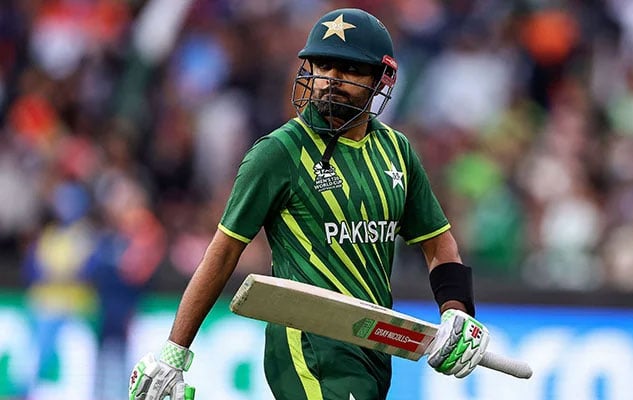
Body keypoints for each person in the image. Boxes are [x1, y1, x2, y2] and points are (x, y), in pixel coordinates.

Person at [129, 8, 490, 400]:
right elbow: (222, 253)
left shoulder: (396, 151)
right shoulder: (278, 153)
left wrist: (456, 312)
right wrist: (174, 352)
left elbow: (438, 242)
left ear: (382, 79)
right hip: (305, 349)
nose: (330, 81)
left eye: (349, 70)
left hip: (372, 354)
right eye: (323, 65)